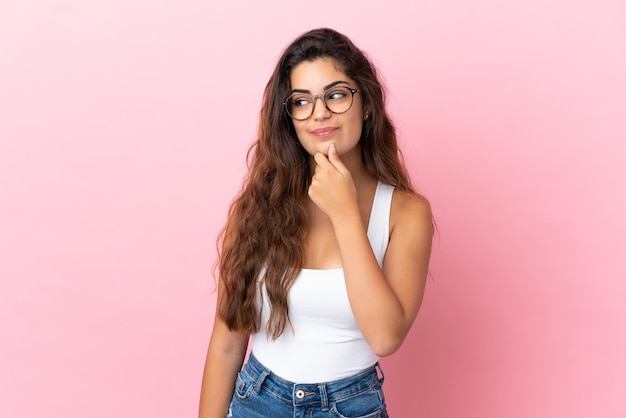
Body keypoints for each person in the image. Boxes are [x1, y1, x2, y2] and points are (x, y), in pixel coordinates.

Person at [199, 27, 433, 418]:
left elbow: (386, 336)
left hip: (350, 406)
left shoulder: (406, 213)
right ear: (289, 117)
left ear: (367, 103)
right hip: (256, 399)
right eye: (302, 101)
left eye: (336, 95)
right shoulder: (257, 208)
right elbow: (226, 342)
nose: (320, 112)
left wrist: (344, 214)